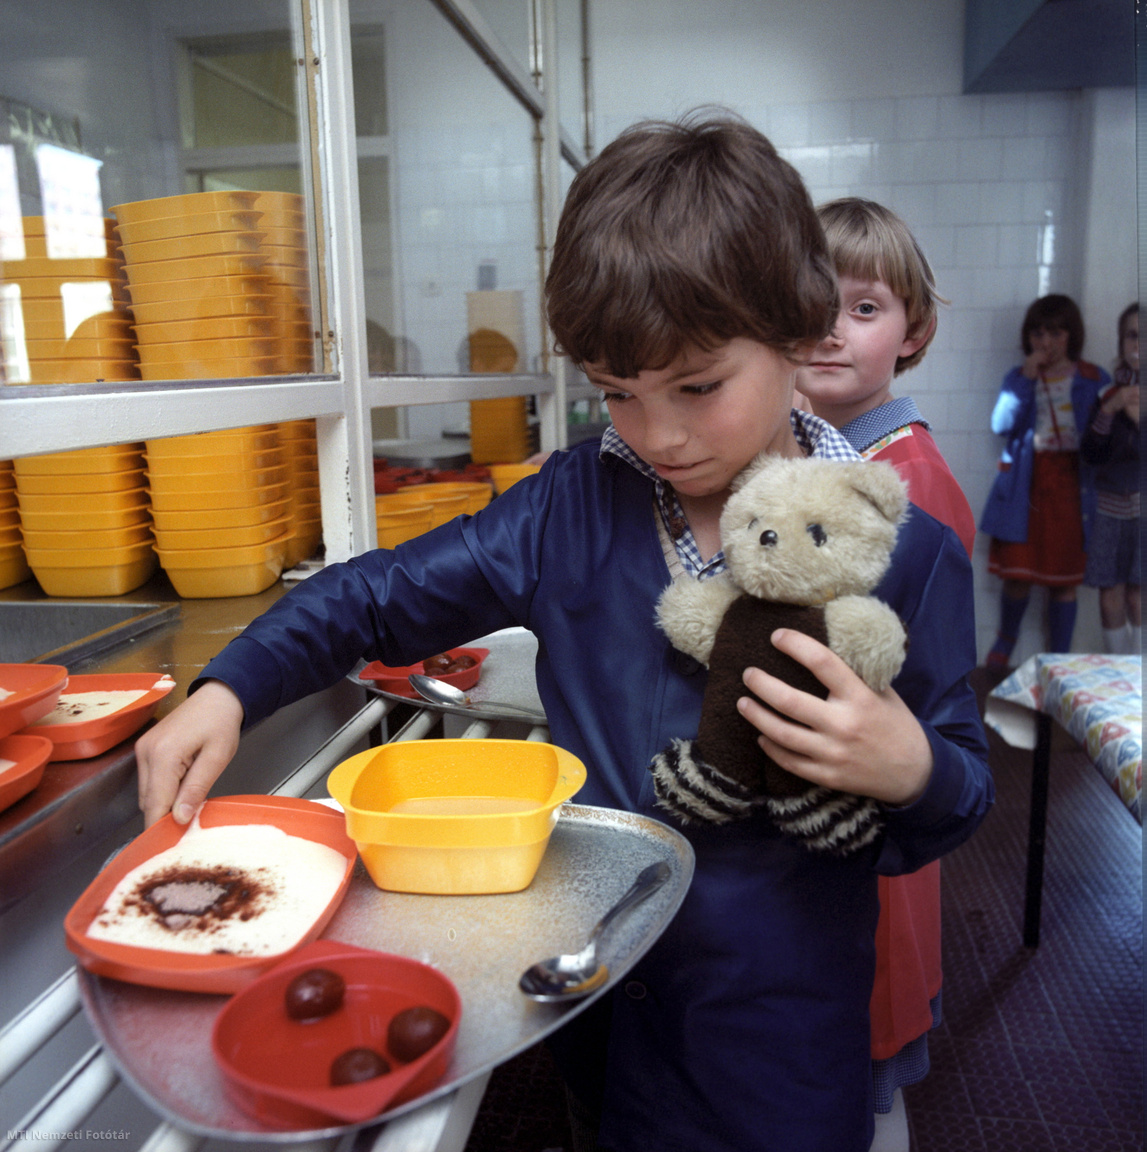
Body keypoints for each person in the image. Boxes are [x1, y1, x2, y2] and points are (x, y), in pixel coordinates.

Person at [136, 113, 992, 1152]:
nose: (658, 435)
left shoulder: (901, 551)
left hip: (778, 1040)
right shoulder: (569, 509)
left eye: (697, 387)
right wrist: (229, 686)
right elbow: (374, 597)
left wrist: (910, 770)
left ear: (798, 328)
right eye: (615, 395)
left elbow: (955, 796)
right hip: (597, 1000)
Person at [795, 197, 976, 1150]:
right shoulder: (825, 457)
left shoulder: (907, 479)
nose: (830, 325)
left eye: (864, 308)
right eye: (814, 298)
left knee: (865, 1078)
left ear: (915, 333)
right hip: (835, 807)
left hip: (872, 816)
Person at [979, 294, 1110, 667]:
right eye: (1037, 333)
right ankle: (1005, 640)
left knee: (1064, 581)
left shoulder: (1093, 378)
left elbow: (1105, 438)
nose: (1045, 342)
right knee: (1017, 574)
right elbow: (1001, 425)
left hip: (1073, 486)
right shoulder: (1019, 378)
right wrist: (1026, 379)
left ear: (1071, 335)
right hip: (1027, 483)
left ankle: (1059, 658)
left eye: (1055, 332)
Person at [1081, 302, 1139, 654]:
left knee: (1139, 595)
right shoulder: (1107, 393)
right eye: (1133, 336)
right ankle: (1118, 668)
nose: (1139, 344)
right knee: (1110, 596)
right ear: (1121, 343)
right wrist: (1110, 411)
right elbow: (1091, 453)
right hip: (1110, 509)